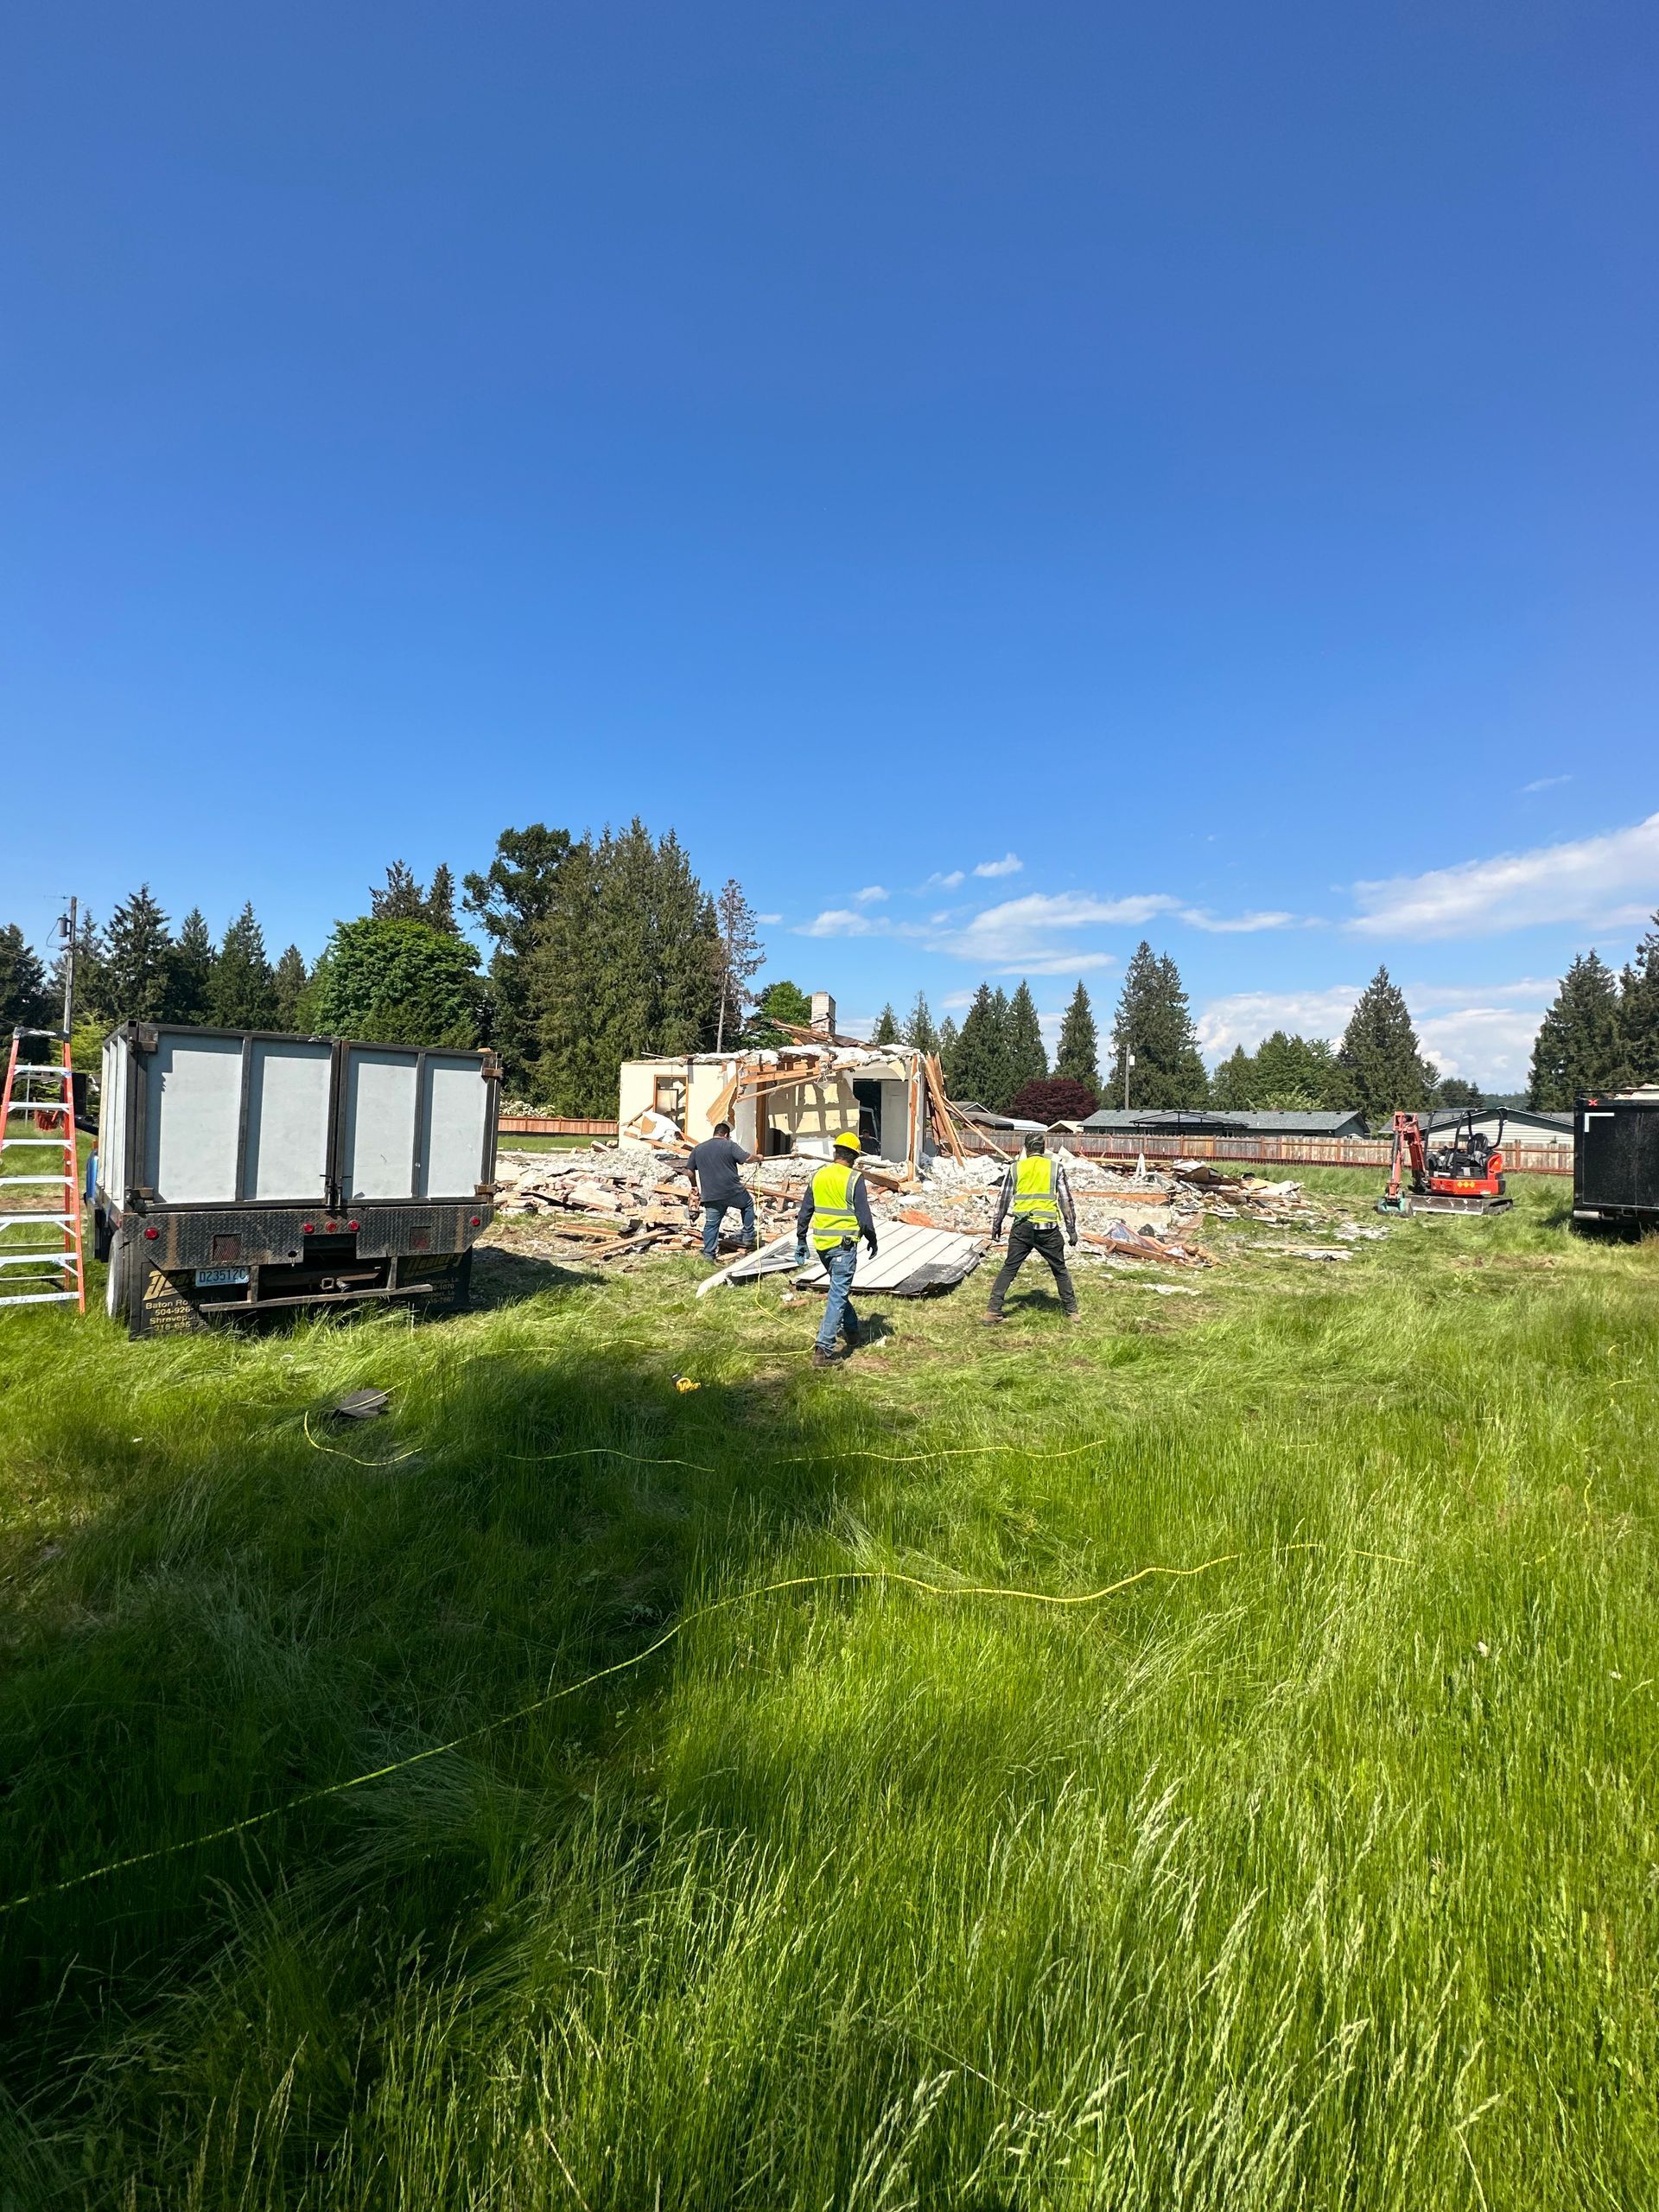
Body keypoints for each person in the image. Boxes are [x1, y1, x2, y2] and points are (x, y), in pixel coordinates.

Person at [795, 1130, 878, 1368]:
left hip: (822, 1245)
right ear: (854, 1156)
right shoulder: (854, 1179)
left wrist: (801, 1240)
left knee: (838, 1291)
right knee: (838, 1293)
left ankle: (852, 1332)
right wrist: (872, 1239)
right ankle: (823, 1350)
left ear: (836, 1152)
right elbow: (864, 1217)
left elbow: (805, 1212)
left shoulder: (817, 1176)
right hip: (843, 1247)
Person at [982, 1133, 1080, 1324]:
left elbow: (1003, 1199)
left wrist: (997, 1224)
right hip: (1048, 1229)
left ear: (1026, 1149)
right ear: (1043, 1149)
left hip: (1022, 1227)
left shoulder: (1015, 1168)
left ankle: (993, 1311)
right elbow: (1065, 1200)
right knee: (1059, 1269)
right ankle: (1072, 1312)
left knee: (1010, 1268)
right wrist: (1071, 1228)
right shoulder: (1055, 1168)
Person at [685, 1121, 755, 1261]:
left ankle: (709, 1255)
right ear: (726, 1135)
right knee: (747, 1204)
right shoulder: (729, 1145)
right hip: (733, 1191)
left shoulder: (698, 1149)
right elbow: (747, 1158)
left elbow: (689, 1171)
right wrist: (758, 1158)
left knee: (711, 1224)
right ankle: (748, 1237)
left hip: (711, 1195)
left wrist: (694, 1186)